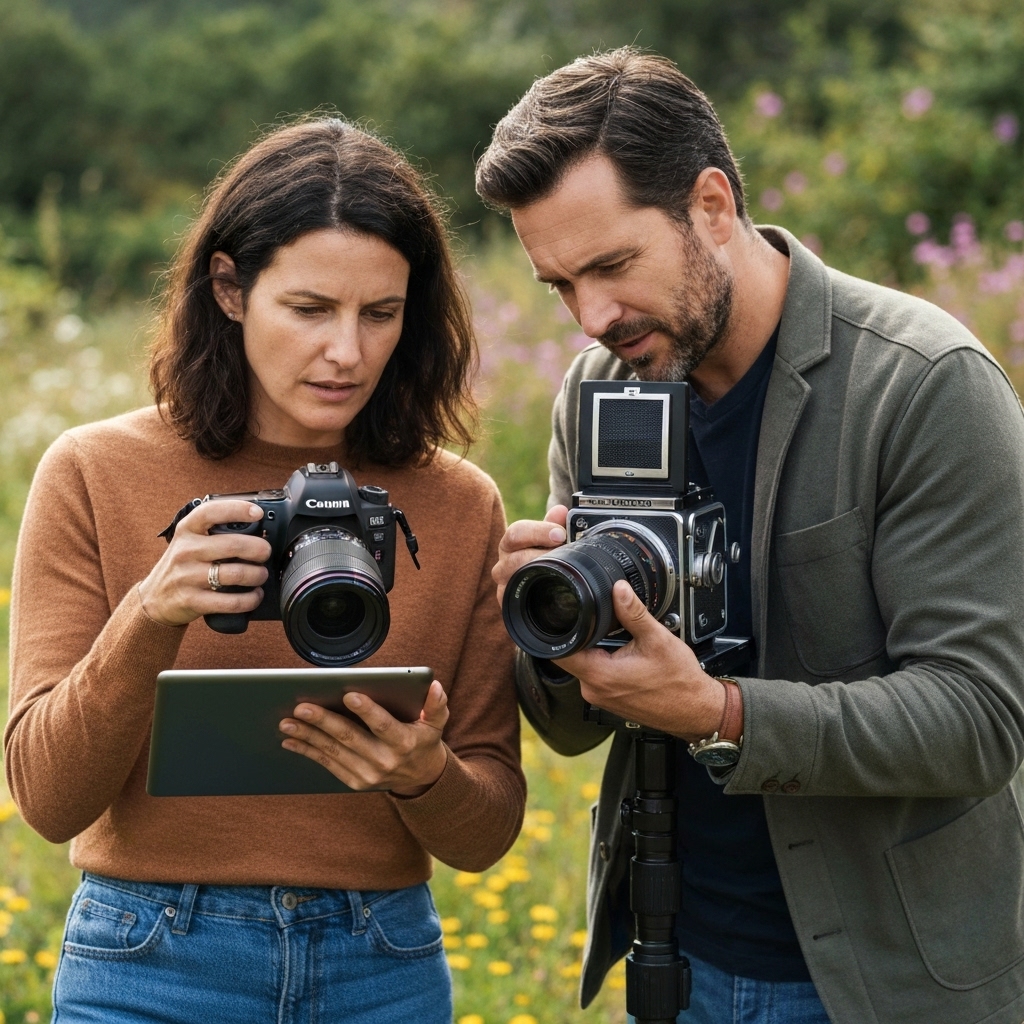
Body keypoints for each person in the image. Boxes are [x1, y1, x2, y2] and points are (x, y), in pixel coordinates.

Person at [477, 47, 1024, 1024]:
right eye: (560, 284)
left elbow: (979, 718)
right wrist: (553, 632)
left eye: (611, 265)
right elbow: (569, 727)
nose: (592, 315)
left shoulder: (923, 382)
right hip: (671, 959)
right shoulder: (599, 390)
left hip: (884, 984)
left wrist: (719, 712)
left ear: (712, 205)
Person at [5, 117, 525, 1023]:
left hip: (382, 964)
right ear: (230, 288)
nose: (348, 354)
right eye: (310, 309)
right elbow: (49, 799)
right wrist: (150, 615)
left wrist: (421, 773)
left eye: (381, 314)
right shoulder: (93, 471)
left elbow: (486, 831)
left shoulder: (459, 502)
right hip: (147, 960)